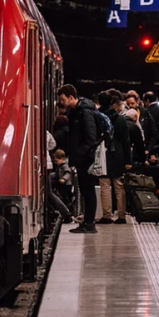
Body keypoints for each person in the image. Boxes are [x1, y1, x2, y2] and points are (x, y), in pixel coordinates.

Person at [57, 84, 100, 234]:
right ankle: (87, 222)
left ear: (70, 97)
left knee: (88, 191)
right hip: (82, 158)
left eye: (63, 99)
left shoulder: (85, 112)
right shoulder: (76, 112)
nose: (62, 102)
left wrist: (79, 154)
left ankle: (89, 224)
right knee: (85, 190)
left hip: (85, 159)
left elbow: (90, 137)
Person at [96, 92, 132, 224]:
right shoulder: (120, 119)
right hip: (118, 154)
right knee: (119, 185)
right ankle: (121, 215)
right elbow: (126, 141)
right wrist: (128, 160)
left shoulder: (96, 117)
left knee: (105, 185)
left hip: (102, 155)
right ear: (112, 102)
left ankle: (107, 215)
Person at [49, 149, 77, 222]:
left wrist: (64, 179)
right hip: (62, 184)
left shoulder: (64, 166)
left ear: (61, 158)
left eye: (56, 161)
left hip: (65, 185)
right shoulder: (60, 166)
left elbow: (67, 173)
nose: (56, 163)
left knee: (65, 198)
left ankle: (68, 212)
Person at [126, 90, 157, 155]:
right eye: (128, 104)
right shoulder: (125, 116)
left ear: (137, 102)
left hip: (145, 149)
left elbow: (153, 132)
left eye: (132, 103)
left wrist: (149, 149)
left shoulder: (146, 114)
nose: (130, 106)